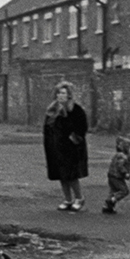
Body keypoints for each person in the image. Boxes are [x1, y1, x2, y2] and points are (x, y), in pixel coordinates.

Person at [42, 80, 88, 211]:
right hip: (55, 147)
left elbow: (81, 128)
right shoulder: (52, 109)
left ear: (69, 95)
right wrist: (49, 142)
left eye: (63, 93)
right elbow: (48, 127)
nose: (60, 95)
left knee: (71, 174)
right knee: (60, 174)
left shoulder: (75, 109)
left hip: (70, 148)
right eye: (58, 93)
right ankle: (68, 199)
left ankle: (79, 197)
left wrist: (72, 140)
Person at [102, 136, 130, 214]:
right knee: (124, 191)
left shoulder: (118, 154)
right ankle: (112, 200)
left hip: (111, 175)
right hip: (116, 176)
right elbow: (120, 166)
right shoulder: (123, 156)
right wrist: (126, 173)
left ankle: (107, 207)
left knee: (113, 190)